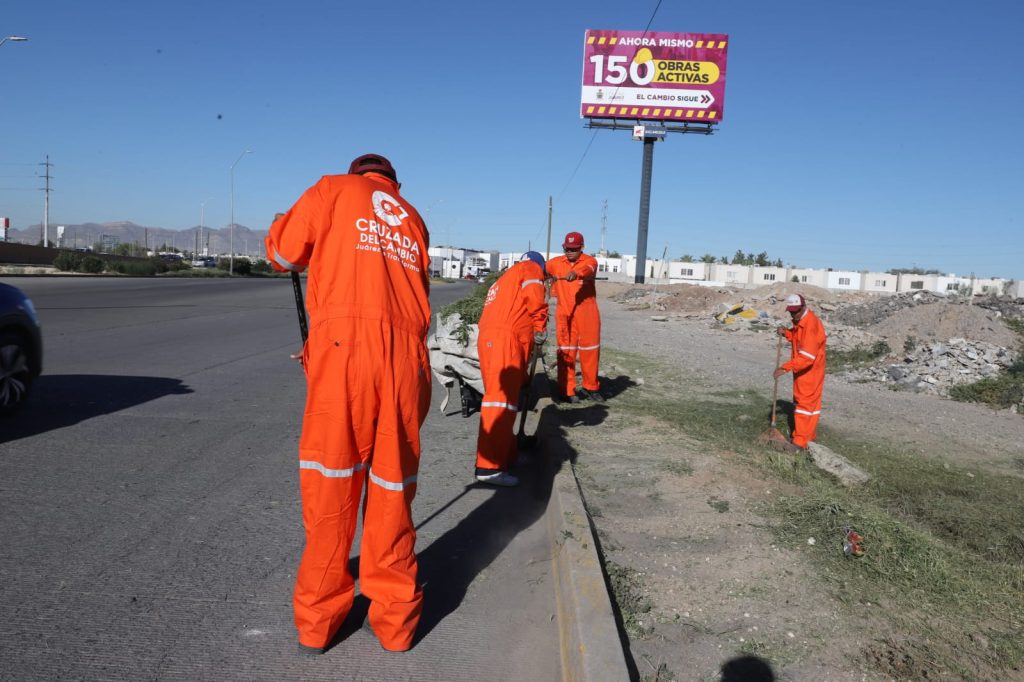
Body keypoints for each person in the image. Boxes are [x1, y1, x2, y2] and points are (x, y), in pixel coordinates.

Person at [265, 153, 432, 655]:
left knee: (332, 485)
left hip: (345, 356)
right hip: (407, 361)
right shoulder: (413, 217)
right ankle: (396, 625)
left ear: (357, 174)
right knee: (391, 489)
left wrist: (278, 226)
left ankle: (319, 623)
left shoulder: (332, 189)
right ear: (391, 182)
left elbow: (287, 256)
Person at [474, 251, 549, 487]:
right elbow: (535, 298)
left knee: (504, 401)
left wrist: (524, 378)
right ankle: (489, 467)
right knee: (500, 402)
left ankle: (506, 455)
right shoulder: (531, 269)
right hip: (504, 340)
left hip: (492, 339)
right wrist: (540, 325)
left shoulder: (504, 280)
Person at [545, 231, 602, 403]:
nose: (569, 252)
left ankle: (591, 387)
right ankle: (567, 390)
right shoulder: (555, 264)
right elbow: (540, 270)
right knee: (566, 352)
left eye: (574, 249)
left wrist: (576, 274)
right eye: (566, 249)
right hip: (565, 313)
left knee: (590, 350)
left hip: (587, 313)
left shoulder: (590, 261)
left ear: (582, 248)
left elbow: (588, 269)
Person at [774, 293, 827, 449]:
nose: (793, 314)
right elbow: (798, 339)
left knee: (804, 406)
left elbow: (807, 357)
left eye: (795, 311)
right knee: (808, 406)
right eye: (790, 311)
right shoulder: (802, 322)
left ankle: (799, 443)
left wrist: (785, 368)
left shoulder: (811, 325)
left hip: (810, 372)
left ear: (803, 306)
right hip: (804, 371)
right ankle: (808, 437)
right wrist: (787, 333)